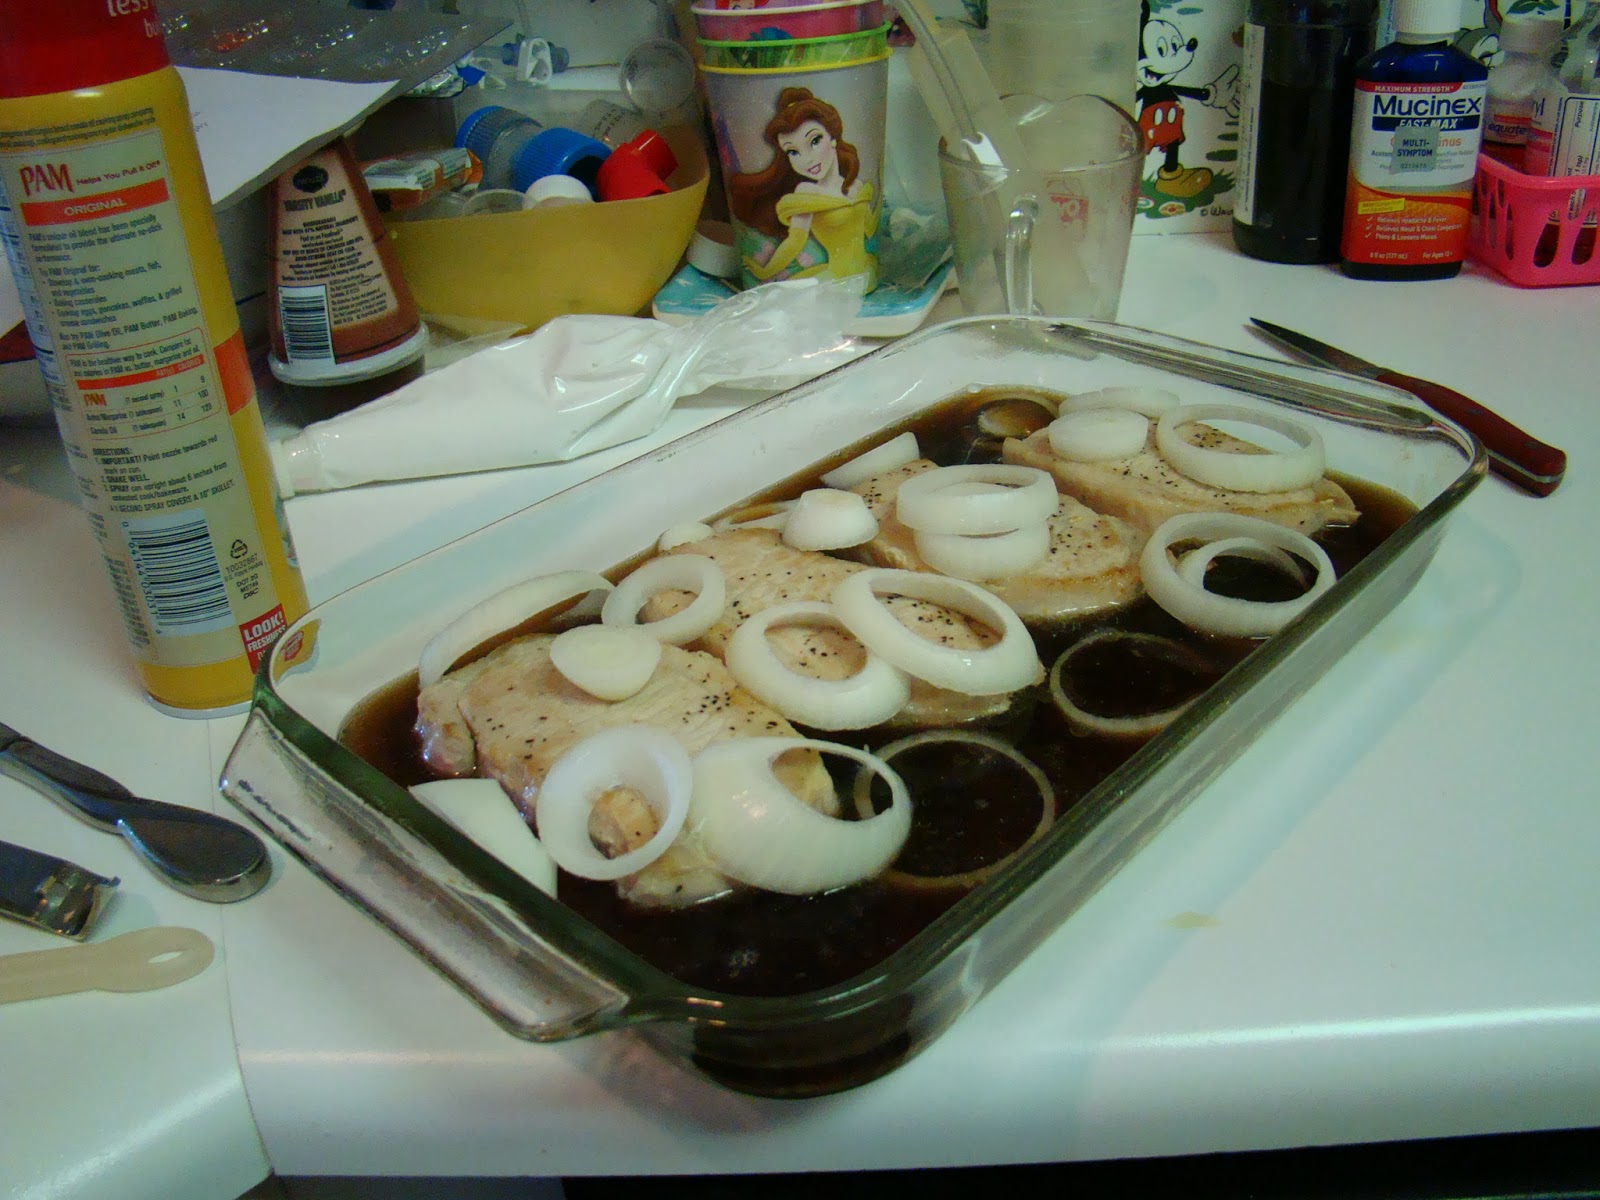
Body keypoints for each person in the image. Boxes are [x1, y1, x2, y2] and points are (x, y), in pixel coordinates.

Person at [729, 87, 879, 288]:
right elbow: (794, 243)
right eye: (793, 152)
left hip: (866, 274)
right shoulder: (806, 194)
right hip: (837, 282)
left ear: (832, 137)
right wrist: (764, 271)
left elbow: (869, 229)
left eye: (815, 141)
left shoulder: (856, 186)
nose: (807, 159)